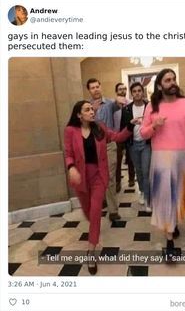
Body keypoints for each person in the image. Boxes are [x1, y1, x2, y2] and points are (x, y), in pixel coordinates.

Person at [140, 69, 185, 257]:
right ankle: (169, 242)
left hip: (182, 158)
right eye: (167, 80)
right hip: (160, 160)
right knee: (165, 200)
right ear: (160, 85)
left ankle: (173, 223)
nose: (172, 82)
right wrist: (154, 126)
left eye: (173, 79)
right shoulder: (152, 107)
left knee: (180, 198)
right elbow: (143, 133)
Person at [64, 100, 133, 274]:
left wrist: (130, 127)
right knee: (88, 212)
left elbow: (117, 137)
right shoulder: (70, 131)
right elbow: (68, 153)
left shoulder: (100, 128)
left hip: (98, 177)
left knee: (95, 212)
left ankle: (91, 251)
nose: (92, 112)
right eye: (87, 110)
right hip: (80, 177)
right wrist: (71, 167)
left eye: (92, 109)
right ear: (79, 115)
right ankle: (94, 231)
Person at [87, 78, 126, 221]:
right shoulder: (86, 106)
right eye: (92, 87)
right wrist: (93, 111)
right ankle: (103, 199)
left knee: (109, 177)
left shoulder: (109, 103)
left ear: (101, 87)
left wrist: (119, 101)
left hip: (109, 145)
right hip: (92, 147)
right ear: (89, 90)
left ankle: (113, 211)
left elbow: (118, 105)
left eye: (97, 86)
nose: (96, 89)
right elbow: (82, 126)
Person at [121, 82, 151, 212]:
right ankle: (143, 192)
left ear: (142, 92)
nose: (137, 93)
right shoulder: (126, 109)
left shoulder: (149, 107)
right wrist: (131, 123)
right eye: (135, 91)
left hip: (146, 144)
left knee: (146, 170)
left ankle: (149, 197)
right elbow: (124, 127)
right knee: (138, 170)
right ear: (131, 93)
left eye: (139, 90)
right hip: (133, 145)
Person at [113, 83, 135, 192]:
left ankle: (131, 179)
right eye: (120, 89)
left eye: (124, 89)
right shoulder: (113, 105)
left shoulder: (131, 104)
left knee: (131, 158)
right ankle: (117, 182)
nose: (122, 91)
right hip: (117, 135)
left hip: (129, 134)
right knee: (117, 160)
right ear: (116, 91)